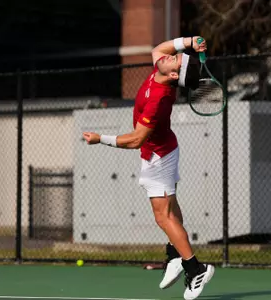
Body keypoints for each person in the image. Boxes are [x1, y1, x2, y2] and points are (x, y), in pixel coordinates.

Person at [82, 36, 215, 300]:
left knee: (163, 217)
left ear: (175, 73)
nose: (168, 56)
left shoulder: (159, 99)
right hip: (160, 151)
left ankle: (196, 268)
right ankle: (174, 256)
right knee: (172, 210)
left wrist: (101, 139)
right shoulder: (160, 70)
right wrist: (189, 42)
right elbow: (158, 49)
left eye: (174, 59)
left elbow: (135, 139)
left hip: (159, 157)